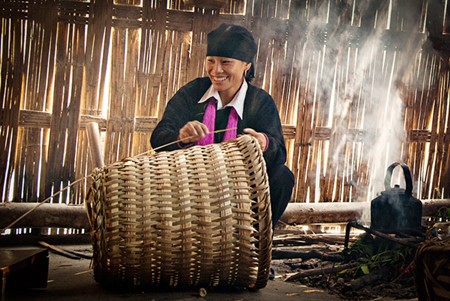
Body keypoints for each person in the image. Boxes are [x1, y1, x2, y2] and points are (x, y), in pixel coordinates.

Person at [150, 23, 294, 228]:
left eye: (225, 62)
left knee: (282, 177)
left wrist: (263, 143)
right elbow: (158, 138)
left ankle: (254, 241)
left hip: (242, 195)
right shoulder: (192, 93)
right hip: (190, 190)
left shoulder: (260, 102)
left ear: (246, 65)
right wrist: (180, 137)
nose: (216, 70)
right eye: (211, 61)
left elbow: (279, 153)